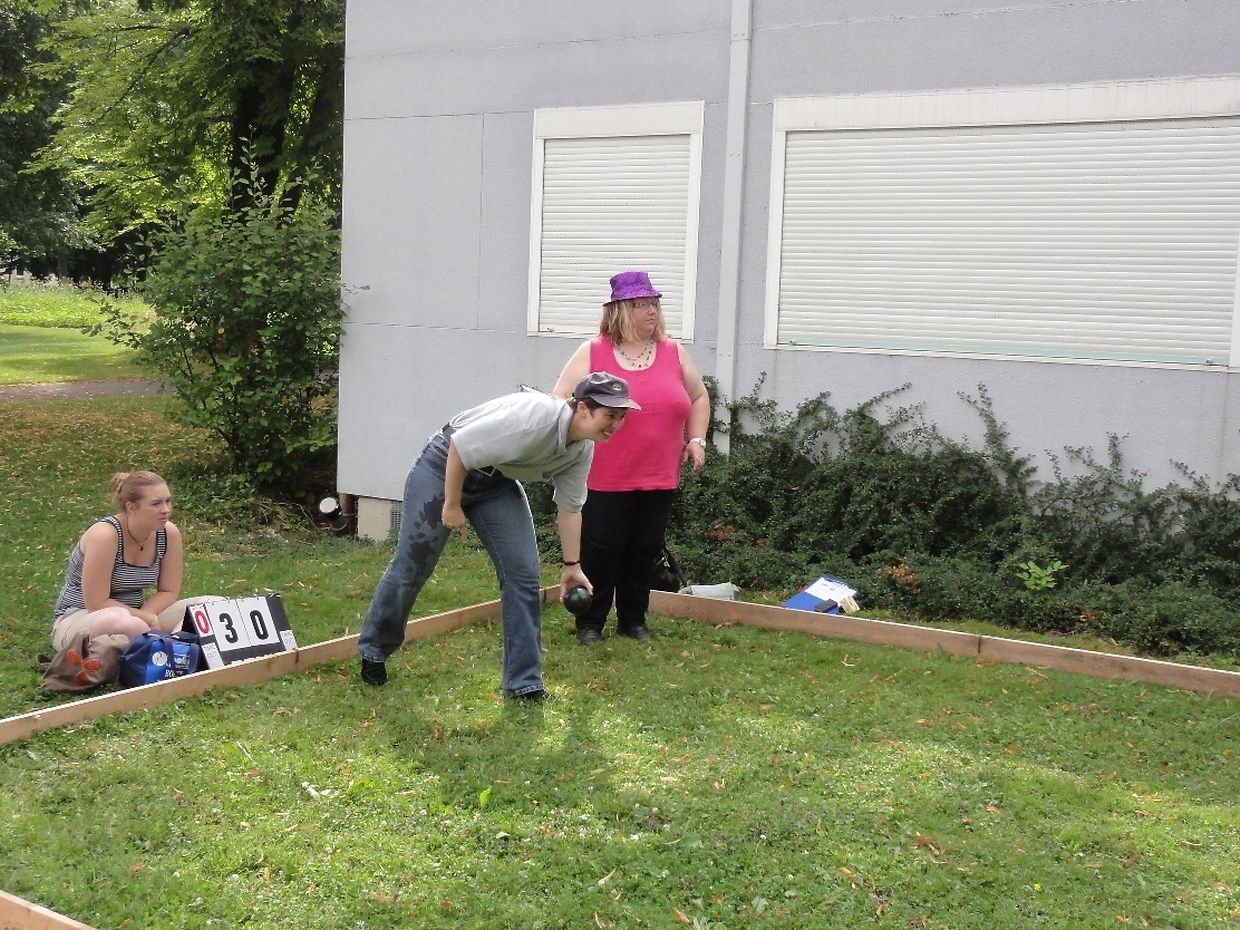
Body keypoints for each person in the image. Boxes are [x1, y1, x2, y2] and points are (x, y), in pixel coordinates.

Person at [356, 373, 640, 699]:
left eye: (621, 417)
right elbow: (460, 446)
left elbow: (570, 508)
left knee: (523, 574)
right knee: (414, 564)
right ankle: (374, 650)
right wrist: (452, 505)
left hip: (496, 482)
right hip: (443, 465)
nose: (616, 425)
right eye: (610, 415)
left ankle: (524, 683)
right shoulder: (536, 418)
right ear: (583, 408)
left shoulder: (580, 450)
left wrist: (572, 566)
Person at [552, 270, 710, 645]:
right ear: (621, 310)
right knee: (600, 551)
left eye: (654, 303)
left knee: (644, 550)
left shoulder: (673, 352)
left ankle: (633, 620)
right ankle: (590, 622)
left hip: (659, 475)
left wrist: (696, 439)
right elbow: (559, 401)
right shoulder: (593, 351)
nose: (652, 311)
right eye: (642, 304)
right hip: (604, 476)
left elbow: (699, 397)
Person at [51, 471, 218, 653]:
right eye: (156, 503)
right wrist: (142, 618)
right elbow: (96, 603)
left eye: (167, 501)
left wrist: (146, 615)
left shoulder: (168, 533)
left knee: (212, 606)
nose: (166, 510)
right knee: (122, 623)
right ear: (131, 507)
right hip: (83, 617)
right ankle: (165, 650)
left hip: (137, 614)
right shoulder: (105, 535)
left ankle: (176, 651)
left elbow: (169, 591)